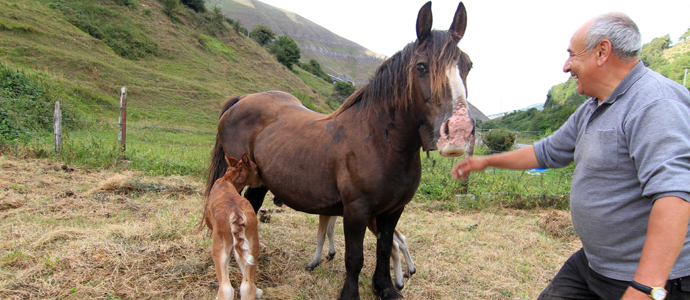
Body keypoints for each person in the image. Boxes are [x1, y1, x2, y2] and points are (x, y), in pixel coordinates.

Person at [451, 12, 690, 300]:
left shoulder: (655, 103)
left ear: (602, 52)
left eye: (572, 55)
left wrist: (646, 285)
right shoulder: (593, 107)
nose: (566, 67)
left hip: (644, 277)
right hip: (594, 264)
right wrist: (487, 161)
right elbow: (546, 152)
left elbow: (675, 196)